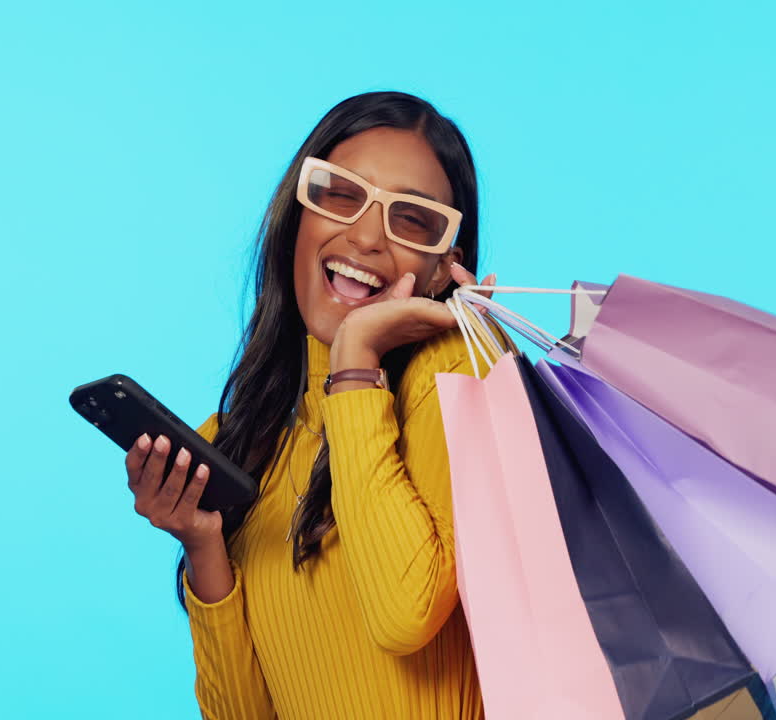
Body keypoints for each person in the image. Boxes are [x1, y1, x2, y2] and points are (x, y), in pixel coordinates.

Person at [123, 91, 501, 719]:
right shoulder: (242, 439)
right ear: (298, 216)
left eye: (412, 219)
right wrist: (203, 544)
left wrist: (356, 361)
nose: (368, 236)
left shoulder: (458, 372)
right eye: (342, 194)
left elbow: (404, 615)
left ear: (443, 269)